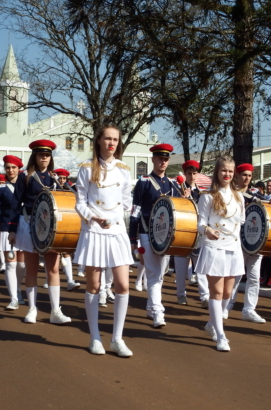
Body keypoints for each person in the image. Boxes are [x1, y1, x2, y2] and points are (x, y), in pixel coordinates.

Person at [75, 125, 134, 357]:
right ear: (98, 141)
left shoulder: (123, 169)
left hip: (117, 231)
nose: (111, 143)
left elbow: (127, 199)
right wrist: (93, 217)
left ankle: (117, 339)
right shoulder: (86, 168)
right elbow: (80, 202)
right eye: (107, 138)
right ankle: (95, 337)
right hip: (94, 231)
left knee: (123, 285)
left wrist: (121, 214)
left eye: (115, 139)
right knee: (94, 286)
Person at [9, 139, 71, 325]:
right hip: (28, 224)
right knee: (32, 269)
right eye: (41, 154)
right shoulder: (25, 176)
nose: (44, 157)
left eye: (47, 155)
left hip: (49, 227)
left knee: (53, 268)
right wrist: (11, 228)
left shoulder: (53, 178)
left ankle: (55, 311)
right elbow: (15, 203)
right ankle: (32, 308)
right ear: (34, 156)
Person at [195, 156, 245, 351]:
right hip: (214, 247)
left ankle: (211, 325)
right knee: (216, 292)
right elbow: (200, 223)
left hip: (232, 248)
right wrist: (207, 230)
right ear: (217, 171)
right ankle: (221, 336)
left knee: (227, 293)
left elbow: (240, 222)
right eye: (224, 170)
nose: (227, 174)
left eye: (230, 171)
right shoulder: (207, 195)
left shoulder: (239, 196)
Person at [129, 143, 181, 328]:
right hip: (146, 233)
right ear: (153, 159)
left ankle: (151, 306)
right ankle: (158, 312)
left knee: (159, 274)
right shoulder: (143, 182)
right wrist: (132, 238)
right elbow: (135, 211)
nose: (163, 162)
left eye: (166, 159)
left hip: (165, 236)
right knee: (153, 273)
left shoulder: (173, 184)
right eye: (160, 158)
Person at [226, 163, 271, 323]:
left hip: (255, 240)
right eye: (244, 175)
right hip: (237, 240)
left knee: (254, 277)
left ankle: (249, 310)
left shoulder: (256, 193)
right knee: (235, 275)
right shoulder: (231, 192)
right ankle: (227, 305)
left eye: (249, 175)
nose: (247, 178)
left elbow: (266, 206)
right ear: (237, 176)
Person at [0, 155, 27, 310]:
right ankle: (13, 298)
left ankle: (18, 290)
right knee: (10, 265)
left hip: (24, 228)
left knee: (21, 264)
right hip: (6, 229)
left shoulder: (27, 185)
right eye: (8, 167)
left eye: (13, 167)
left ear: (19, 169)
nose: (10, 170)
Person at [174, 160, 202, 306]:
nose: (192, 176)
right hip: (182, 234)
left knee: (201, 267)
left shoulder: (201, 192)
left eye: (194, 173)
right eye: (189, 173)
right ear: (184, 174)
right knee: (180, 268)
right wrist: (182, 198)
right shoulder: (178, 189)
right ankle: (180, 295)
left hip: (197, 234)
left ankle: (204, 296)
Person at [53, 168, 81, 292]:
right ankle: (48, 280)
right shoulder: (52, 187)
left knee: (66, 252)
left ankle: (70, 280)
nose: (62, 180)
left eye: (64, 178)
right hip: (53, 222)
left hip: (67, 222)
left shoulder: (71, 189)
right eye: (60, 178)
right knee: (52, 253)